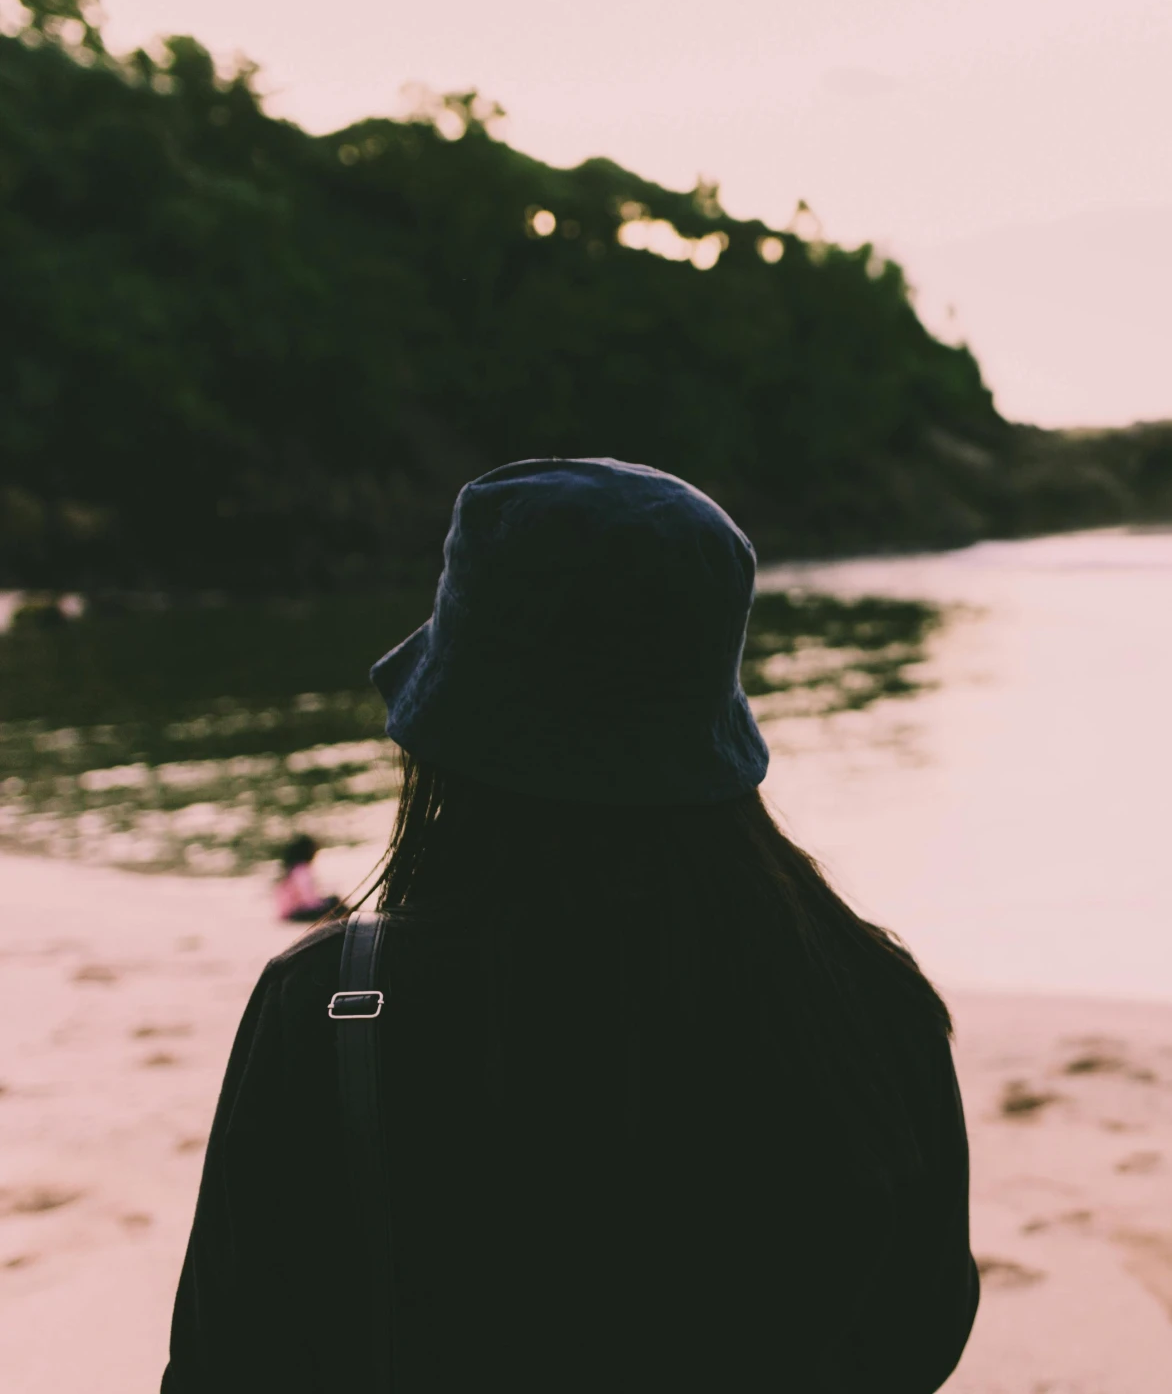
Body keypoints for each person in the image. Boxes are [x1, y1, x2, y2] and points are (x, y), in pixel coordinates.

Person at [163, 458, 979, 1392]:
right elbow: (920, 1336)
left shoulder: (334, 1014)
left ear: (451, 736)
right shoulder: (870, 1003)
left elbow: (222, 1366)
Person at [269, 834, 343, 923]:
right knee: (335, 902)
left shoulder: (291, 869)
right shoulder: (301, 870)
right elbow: (308, 900)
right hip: (295, 913)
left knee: (332, 901)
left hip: (287, 911)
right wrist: (323, 904)